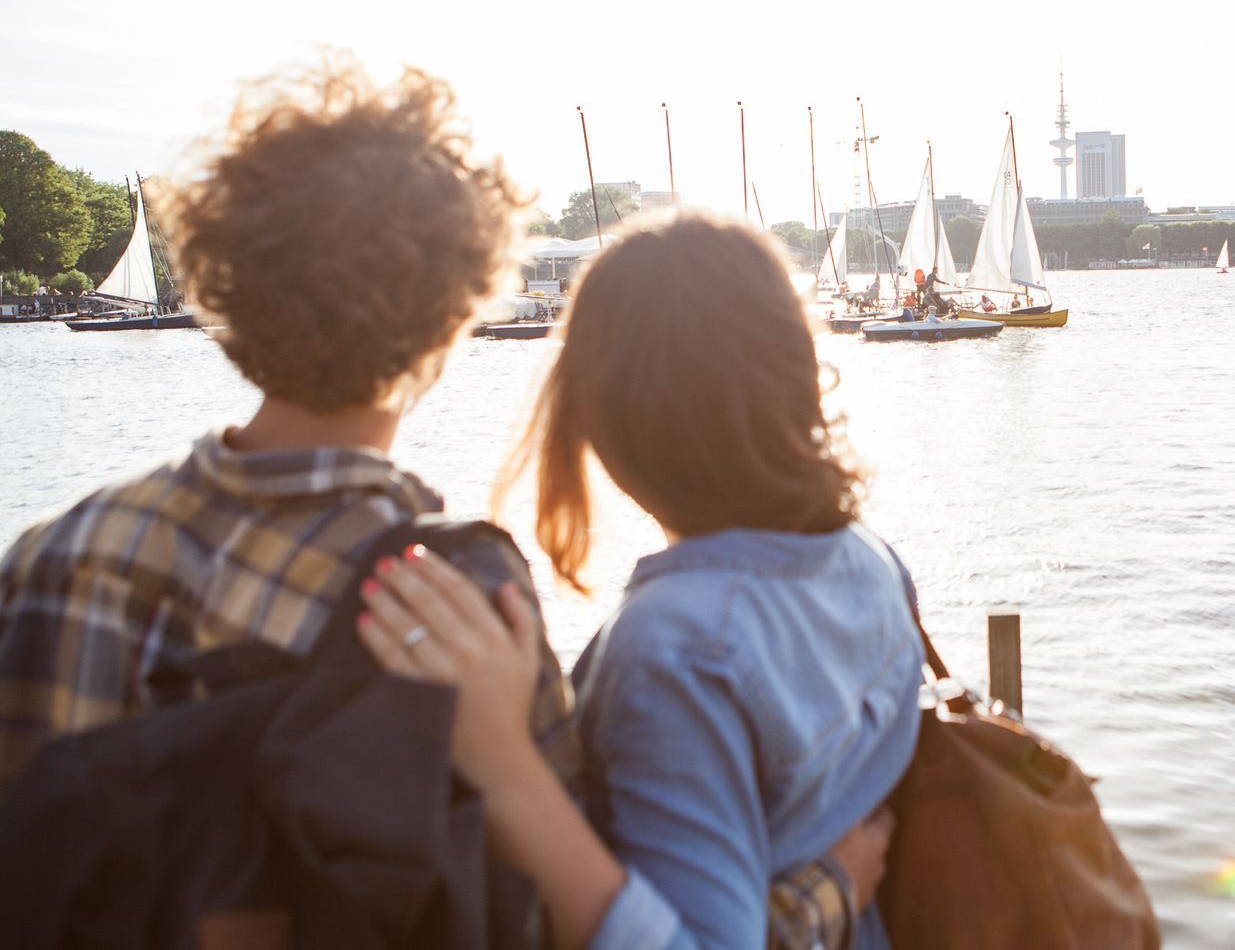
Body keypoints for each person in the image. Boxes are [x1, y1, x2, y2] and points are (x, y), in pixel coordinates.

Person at [0, 58, 876, 948]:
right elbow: (550, 926)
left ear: (221, 282)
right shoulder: (459, 603)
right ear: (456, 318)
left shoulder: (47, 561)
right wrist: (825, 892)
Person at [362, 211, 924, 950]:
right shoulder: (870, 560)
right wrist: (839, 888)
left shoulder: (674, 650)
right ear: (798, 372)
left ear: (604, 423)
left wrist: (504, 765)